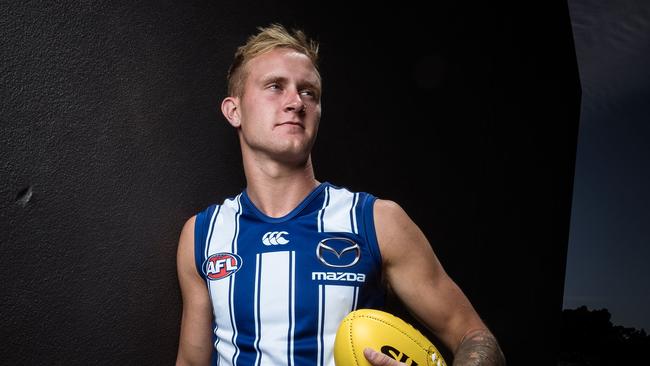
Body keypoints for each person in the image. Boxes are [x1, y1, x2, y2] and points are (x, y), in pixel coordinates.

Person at [175, 23, 505, 366]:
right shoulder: (203, 235)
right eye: (275, 86)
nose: (295, 102)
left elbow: (476, 337)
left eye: (309, 93)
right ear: (234, 110)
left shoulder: (376, 221)